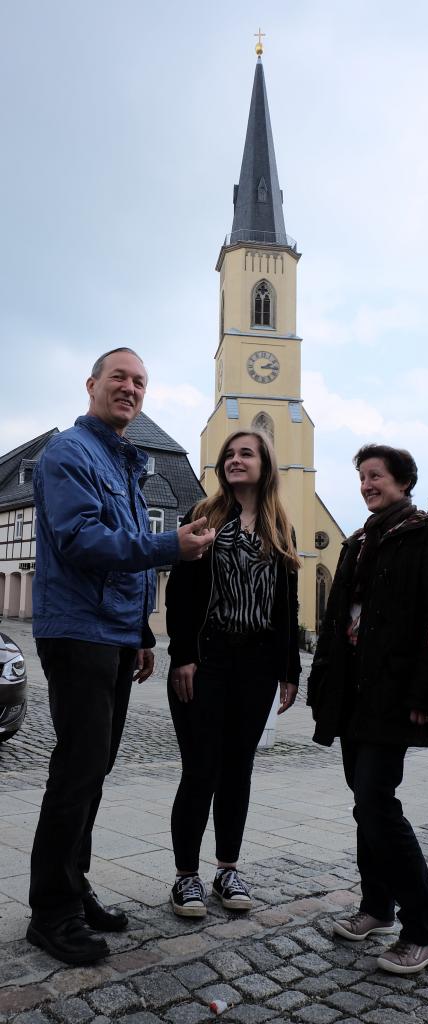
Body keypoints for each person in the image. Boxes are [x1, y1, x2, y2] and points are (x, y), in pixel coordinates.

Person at [28, 347, 215, 966]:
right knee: (76, 771)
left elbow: (127, 568)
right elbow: (84, 542)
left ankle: (74, 888)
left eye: (139, 381)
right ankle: (50, 913)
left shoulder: (128, 462)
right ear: (92, 385)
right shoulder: (68, 455)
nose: (130, 389)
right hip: (76, 631)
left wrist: (141, 632)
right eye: (119, 378)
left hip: (112, 635)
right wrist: (169, 544)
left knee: (95, 772)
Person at [307, 444, 428, 974]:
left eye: (377, 476)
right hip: (353, 694)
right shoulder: (360, 540)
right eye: (363, 477)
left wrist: (426, 693)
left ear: (403, 481)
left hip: (394, 694)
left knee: (376, 801)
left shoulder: (425, 534)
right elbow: (334, 619)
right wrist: (321, 680)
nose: (368, 484)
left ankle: (423, 927)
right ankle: (377, 907)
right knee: (364, 801)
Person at [165, 429, 301, 916]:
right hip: (208, 658)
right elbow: (180, 593)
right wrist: (182, 654)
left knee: (238, 771)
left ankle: (227, 869)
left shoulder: (280, 526)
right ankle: (186, 877)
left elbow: (288, 604)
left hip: (258, 663)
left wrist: (290, 669)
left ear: (266, 464)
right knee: (200, 768)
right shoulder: (203, 517)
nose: (235, 460)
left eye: (247, 453)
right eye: (230, 454)